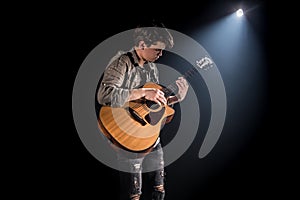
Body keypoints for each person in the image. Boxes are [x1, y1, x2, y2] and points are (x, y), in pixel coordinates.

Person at [96, 24, 189, 200]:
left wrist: (176, 98)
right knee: (134, 193)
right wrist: (143, 92)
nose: (160, 54)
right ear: (142, 44)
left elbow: (151, 104)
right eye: (157, 49)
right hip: (126, 132)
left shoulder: (152, 68)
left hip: (148, 134)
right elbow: (104, 94)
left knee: (159, 187)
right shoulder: (121, 62)